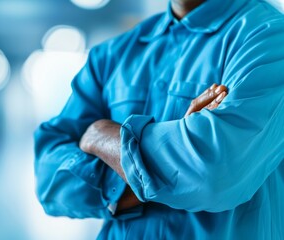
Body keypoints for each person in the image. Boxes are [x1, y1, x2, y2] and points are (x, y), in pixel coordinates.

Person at [34, 0, 284, 239]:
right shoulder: (111, 56)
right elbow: (49, 178)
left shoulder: (268, 36)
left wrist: (100, 135)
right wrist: (174, 161)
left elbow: (213, 173)